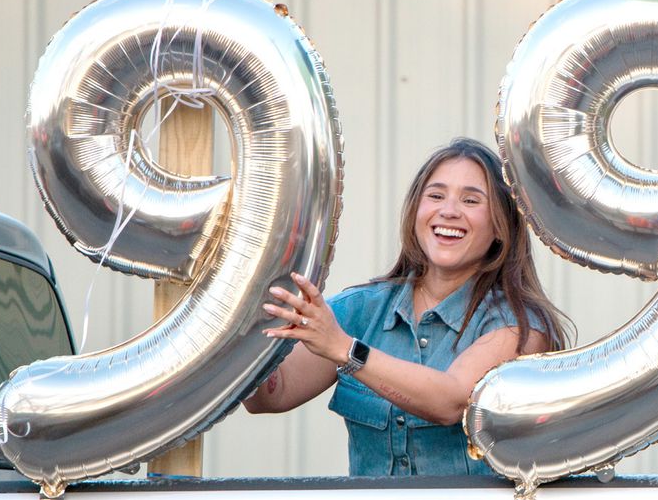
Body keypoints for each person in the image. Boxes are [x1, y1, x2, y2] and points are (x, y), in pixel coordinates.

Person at [244, 137, 571, 476]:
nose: (449, 210)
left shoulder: (520, 327)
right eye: (436, 196)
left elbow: (451, 401)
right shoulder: (361, 310)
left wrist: (347, 350)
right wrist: (247, 320)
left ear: (501, 226)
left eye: (471, 200)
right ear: (416, 211)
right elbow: (273, 395)